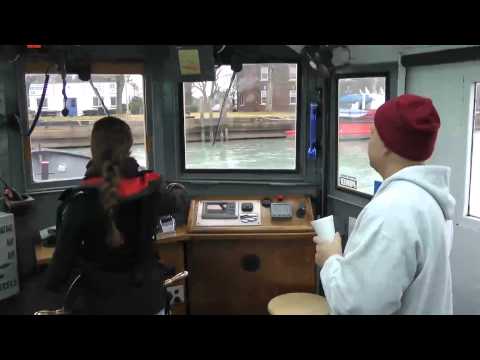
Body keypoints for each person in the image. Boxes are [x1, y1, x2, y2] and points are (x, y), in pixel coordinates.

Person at [315, 94, 456, 315]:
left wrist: (331, 259)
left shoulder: (392, 212)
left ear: (388, 145)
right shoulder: (429, 200)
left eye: (373, 132)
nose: (368, 139)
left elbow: (358, 306)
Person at [45, 117, 185, 314]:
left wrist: (52, 287)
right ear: (128, 148)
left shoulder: (79, 202)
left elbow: (61, 266)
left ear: (93, 150)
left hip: (99, 304)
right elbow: (177, 201)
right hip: (148, 301)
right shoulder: (151, 189)